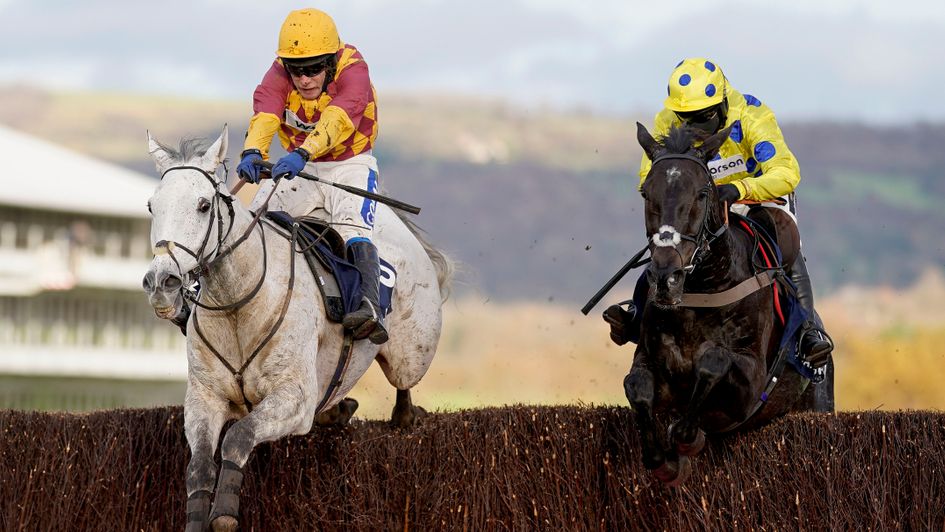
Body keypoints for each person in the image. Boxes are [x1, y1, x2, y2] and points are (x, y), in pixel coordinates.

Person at [603, 57, 832, 367]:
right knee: (668, 243)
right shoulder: (665, 119)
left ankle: (808, 332)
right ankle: (638, 313)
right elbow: (650, 178)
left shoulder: (752, 115)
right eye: (685, 117)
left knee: (784, 245)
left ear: (723, 103)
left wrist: (740, 190)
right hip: (702, 203)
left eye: (701, 117)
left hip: (756, 199)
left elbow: (787, 172)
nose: (692, 126)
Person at [234, 8, 388, 344]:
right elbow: (266, 114)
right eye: (297, 71)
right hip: (299, 163)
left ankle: (369, 306)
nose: (304, 80)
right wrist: (252, 152)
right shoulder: (278, 74)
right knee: (254, 219)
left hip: (350, 161)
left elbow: (339, 118)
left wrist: (303, 152)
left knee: (351, 227)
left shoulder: (354, 69)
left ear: (331, 62)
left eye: (314, 69)